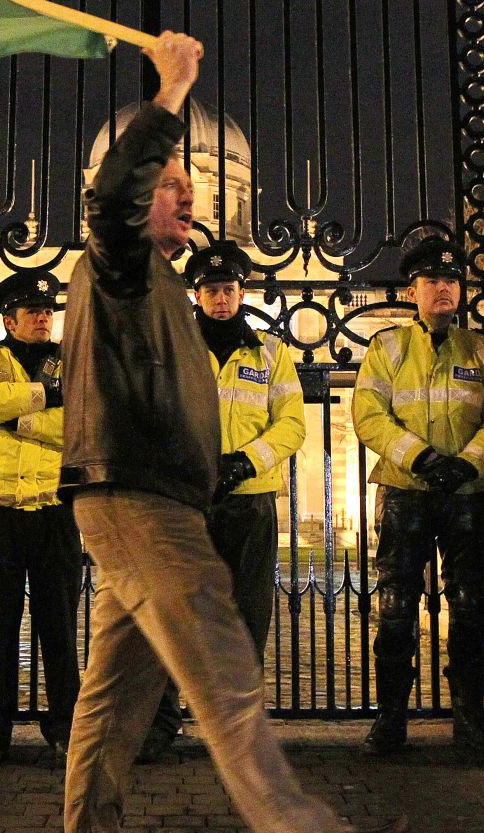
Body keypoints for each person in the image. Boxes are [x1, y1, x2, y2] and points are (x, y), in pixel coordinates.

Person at [59, 31, 406, 833]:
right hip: (138, 492)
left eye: (198, 185)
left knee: (117, 693)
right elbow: (112, 197)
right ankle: (297, 821)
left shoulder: (172, 290)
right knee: (222, 655)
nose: (191, 198)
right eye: (173, 183)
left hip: (156, 493)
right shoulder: (118, 262)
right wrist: (172, 92)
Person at [136, 240, 306, 763]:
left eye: (228, 289)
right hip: (188, 499)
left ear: (241, 292)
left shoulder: (272, 353)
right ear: (197, 294)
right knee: (174, 613)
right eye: (211, 290)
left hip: (250, 500)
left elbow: (291, 423)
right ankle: (160, 722)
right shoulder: (171, 347)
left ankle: (237, 732)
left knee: (247, 621)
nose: (220, 299)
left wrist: (246, 461)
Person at [352, 238, 484, 757]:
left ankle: (470, 719)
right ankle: (391, 719)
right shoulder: (388, 347)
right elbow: (369, 413)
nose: (441, 289)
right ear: (413, 291)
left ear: (461, 291)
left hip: (468, 491)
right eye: (430, 282)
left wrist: (467, 462)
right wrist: (422, 459)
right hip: (407, 489)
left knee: (470, 602)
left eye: (449, 281)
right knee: (396, 604)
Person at [0, 269, 82, 768]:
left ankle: (67, 730)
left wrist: (18, 418)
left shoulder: (73, 362)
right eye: (33, 312)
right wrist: (47, 398)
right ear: (9, 319)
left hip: (54, 511)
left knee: (60, 631)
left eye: (48, 312)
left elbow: (82, 425)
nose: (44, 318)